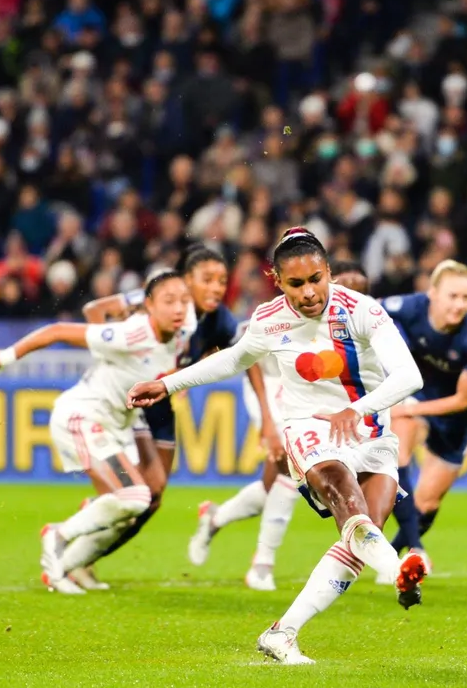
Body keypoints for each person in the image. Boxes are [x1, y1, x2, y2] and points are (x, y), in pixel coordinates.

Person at [127, 229, 427, 665]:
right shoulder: (269, 319)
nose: (309, 293)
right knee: (348, 503)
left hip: (372, 433)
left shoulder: (362, 309)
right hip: (309, 428)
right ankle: (398, 571)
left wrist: (356, 410)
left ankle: (282, 633)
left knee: (363, 540)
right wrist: (168, 384)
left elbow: (409, 376)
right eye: (296, 284)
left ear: (328, 271)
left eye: (316, 279)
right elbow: (234, 358)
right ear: (277, 280)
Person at [62, 246, 274, 589]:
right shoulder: (155, 301)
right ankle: (74, 548)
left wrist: (267, 416)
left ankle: (84, 557)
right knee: (135, 493)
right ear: (186, 280)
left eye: (222, 281)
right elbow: (94, 310)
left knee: (154, 495)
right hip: (129, 398)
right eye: (207, 280)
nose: (217, 288)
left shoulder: (220, 320)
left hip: (159, 403)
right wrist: (115, 357)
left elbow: (246, 359)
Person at [0, 269, 195, 594]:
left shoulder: (184, 329)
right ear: (149, 304)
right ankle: (58, 535)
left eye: (184, 301)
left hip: (117, 426)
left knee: (128, 509)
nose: (178, 308)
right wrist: (3, 357)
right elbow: (58, 331)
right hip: (83, 416)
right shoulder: (131, 334)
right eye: (169, 301)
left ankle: (66, 568)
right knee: (135, 497)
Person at [187, 259, 372, 592]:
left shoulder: (355, 324)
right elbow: (247, 358)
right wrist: (267, 423)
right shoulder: (287, 311)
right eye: (347, 287)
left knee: (276, 483)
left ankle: (215, 518)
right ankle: (263, 563)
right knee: (289, 468)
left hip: (303, 394)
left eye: (360, 291)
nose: (352, 295)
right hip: (271, 389)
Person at [383, 260, 467, 575]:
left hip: (456, 417)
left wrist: (408, 409)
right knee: (398, 454)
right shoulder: (410, 308)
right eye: (452, 296)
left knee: (427, 503)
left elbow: (462, 400)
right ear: (433, 293)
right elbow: (366, 311)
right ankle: (413, 550)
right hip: (418, 395)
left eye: (465, 297)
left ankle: (393, 552)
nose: (459, 304)